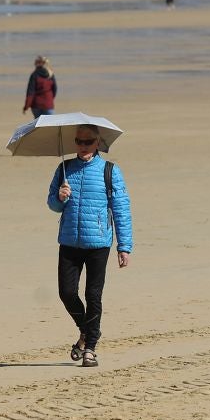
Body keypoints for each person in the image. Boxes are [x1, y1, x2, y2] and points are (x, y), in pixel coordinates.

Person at [47, 124, 132, 367]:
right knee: (67, 293)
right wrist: (60, 198)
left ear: (98, 143)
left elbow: (121, 210)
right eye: (79, 141)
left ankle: (90, 348)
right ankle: (86, 331)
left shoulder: (110, 171)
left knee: (93, 295)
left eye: (88, 142)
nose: (83, 146)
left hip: (98, 243)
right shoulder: (64, 169)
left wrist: (124, 247)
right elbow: (52, 204)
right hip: (69, 241)